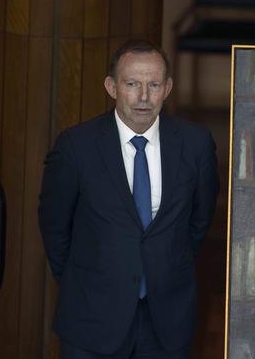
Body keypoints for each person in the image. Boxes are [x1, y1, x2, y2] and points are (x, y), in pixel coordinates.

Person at [39, 39, 219, 359]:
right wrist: (88, 279)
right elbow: (54, 226)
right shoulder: (75, 147)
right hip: (92, 315)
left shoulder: (196, 144)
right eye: (132, 84)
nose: (144, 97)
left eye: (153, 84)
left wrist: (165, 265)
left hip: (167, 318)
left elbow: (200, 220)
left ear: (167, 88)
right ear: (112, 87)